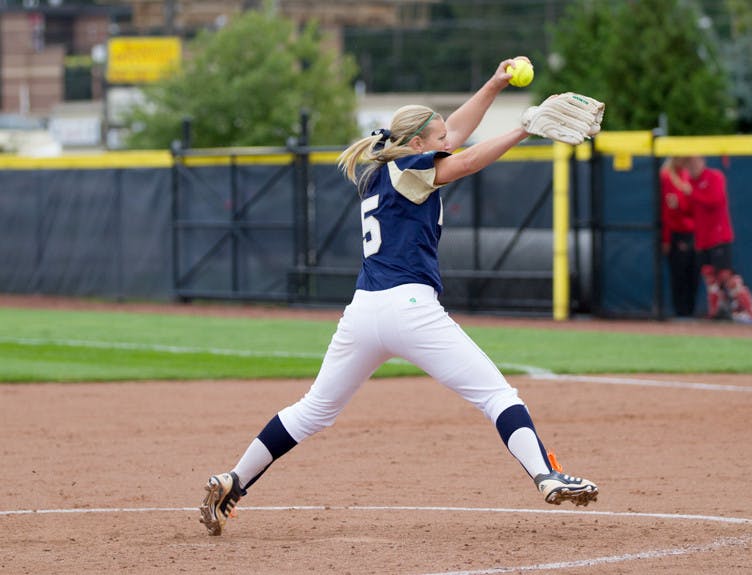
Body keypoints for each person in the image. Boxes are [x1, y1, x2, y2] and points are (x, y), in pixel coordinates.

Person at [199, 58, 605, 536]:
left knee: (312, 410)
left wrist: (495, 85)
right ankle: (545, 474)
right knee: (497, 395)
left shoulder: (381, 170)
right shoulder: (411, 167)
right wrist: (521, 129)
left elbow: (452, 132)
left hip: (363, 311)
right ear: (415, 145)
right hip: (410, 308)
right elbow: (466, 159)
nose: (445, 143)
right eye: (435, 142)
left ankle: (234, 479)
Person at [684, 156, 752, 319]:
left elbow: (714, 200)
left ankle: (750, 310)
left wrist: (692, 192)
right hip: (702, 239)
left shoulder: (715, 176)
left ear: (702, 161)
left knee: (726, 275)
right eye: (688, 164)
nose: (691, 166)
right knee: (709, 276)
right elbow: (690, 211)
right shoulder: (690, 182)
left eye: (694, 162)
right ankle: (716, 311)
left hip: (719, 236)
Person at [660, 157, 698, 317]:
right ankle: (681, 312)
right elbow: (668, 211)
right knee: (679, 274)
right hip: (677, 233)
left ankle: (689, 311)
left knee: (693, 274)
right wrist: (666, 239)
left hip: (692, 232)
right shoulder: (666, 177)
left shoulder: (687, 176)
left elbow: (692, 205)